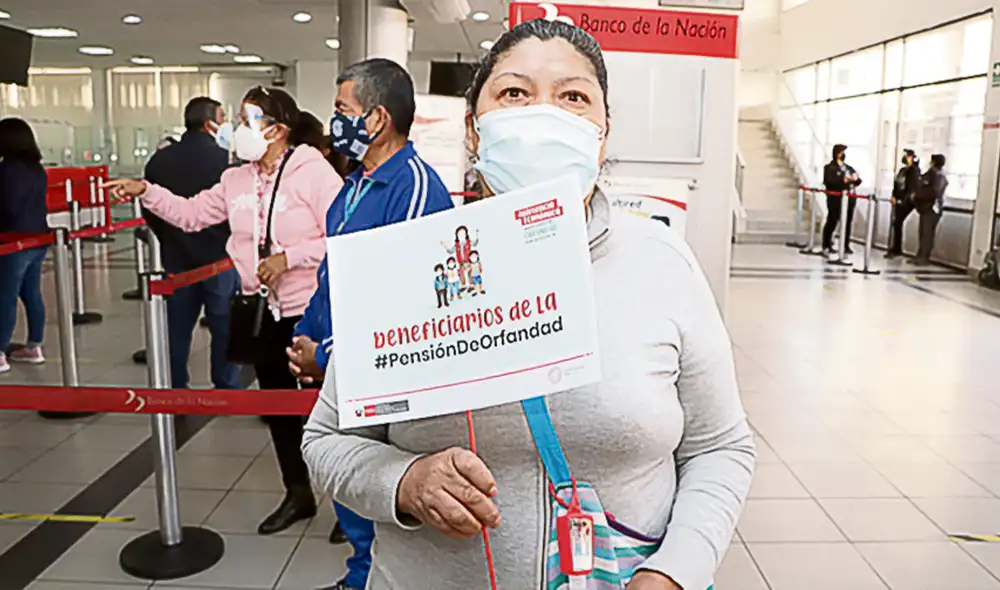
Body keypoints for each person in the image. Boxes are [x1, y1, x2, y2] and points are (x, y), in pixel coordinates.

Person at [301, 20, 754, 590]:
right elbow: (326, 442)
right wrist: (405, 481)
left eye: (573, 97)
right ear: (474, 130)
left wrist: (675, 570)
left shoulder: (662, 263)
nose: (543, 117)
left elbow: (721, 446)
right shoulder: (409, 266)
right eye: (514, 92)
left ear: (602, 135)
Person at [106, 87, 342, 537]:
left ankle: (349, 507)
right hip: (261, 312)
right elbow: (191, 214)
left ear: (278, 129)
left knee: (325, 411)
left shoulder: (313, 172)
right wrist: (146, 191)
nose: (236, 129)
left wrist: (289, 258)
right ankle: (298, 492)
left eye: (246, 120)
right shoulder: (235, 180)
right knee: (279, 409)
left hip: (311, 312)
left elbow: (341, 234)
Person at [287, 58, 455, 590]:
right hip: (340, 363)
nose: (334, 120)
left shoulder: (415, 188)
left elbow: (403, 299)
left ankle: (367, 580)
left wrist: (326, 355)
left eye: (343, 109)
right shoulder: (355, 184)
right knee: (350, 486)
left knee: (377, 488)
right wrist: (306, 335)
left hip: (379, 372)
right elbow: (333, 273)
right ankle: (359, 576)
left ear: (377, 118)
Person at [142, 97, 239, 392]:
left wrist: (170, 238)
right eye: (222, 118)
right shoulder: (227, 162)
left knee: (176, 329)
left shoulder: (158, 161)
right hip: (221, 259)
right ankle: (226, 386)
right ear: (210, 124)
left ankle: (175, 388)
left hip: (177, 258)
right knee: (225, 328)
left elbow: (150, 208)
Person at [0, 117, 49, 373]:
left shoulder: (6, 171)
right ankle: (34, 346)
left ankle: (0, 352)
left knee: (5, 296)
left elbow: (7, 207)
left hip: (12, 240)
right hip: (38, 238)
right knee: (31, 293)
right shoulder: (36, 169)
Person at [821, 144, 862, 256]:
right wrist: (843, 180)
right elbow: (829, 181)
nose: (842, 155)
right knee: (832, 220)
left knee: (848, 222)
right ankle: (826, 244)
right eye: (841, 152)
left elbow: (857, 180)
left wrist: (854, 179)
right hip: (835, 199)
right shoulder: (829, 168)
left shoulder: (848, 168)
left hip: (849, 199)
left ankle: (845, 245)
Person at [912, 154, 948, 265]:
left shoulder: (939, 176)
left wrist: (918, 195)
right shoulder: (930, 174)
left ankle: (924, 257)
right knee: (923, 233)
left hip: (932, 208)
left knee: (927, 233)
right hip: (925, 208)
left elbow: (934, 191)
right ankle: (920, 255)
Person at [886, 149, 921, 259]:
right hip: (898, 200)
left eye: (908, 156)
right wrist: (894, 196)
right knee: (896, 223)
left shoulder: (914, 171)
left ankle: (897, 249)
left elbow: (912, 187)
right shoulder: (902, 170)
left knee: (897, 222)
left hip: (906, 201)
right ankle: (896, 248)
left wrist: (904, 199)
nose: (905, 158)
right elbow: (896, 184)